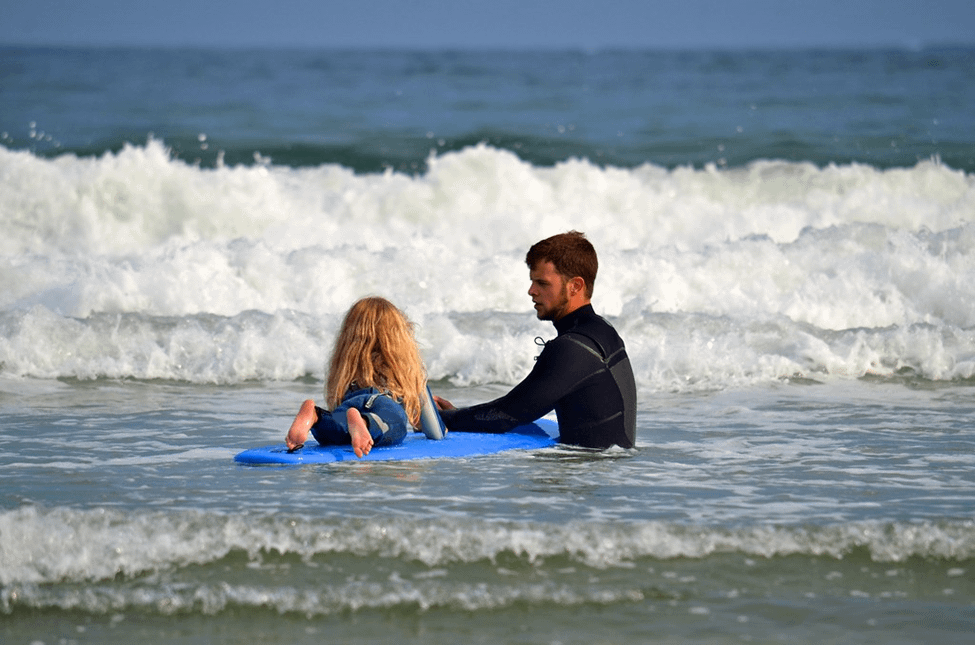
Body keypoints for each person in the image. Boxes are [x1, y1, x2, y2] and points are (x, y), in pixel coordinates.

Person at [435, 231, 637, 449]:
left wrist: (441, 420)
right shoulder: (603, 330)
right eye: (532, 282)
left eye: (542, 283)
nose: (531, 291)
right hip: (609, 472)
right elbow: (519, 407)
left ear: (575, 286)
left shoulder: (573, 348)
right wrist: (457, 414)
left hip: (585, 473)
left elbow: (507, 415)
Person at [285, 296, 445, 458]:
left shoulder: (348, 367)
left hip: (353, 403)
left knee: (338, 430)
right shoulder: (410, 370)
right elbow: (435, 432)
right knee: (395, 424)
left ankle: (316, 416)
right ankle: (364, 422)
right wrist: (439, 427)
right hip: (384, 404)